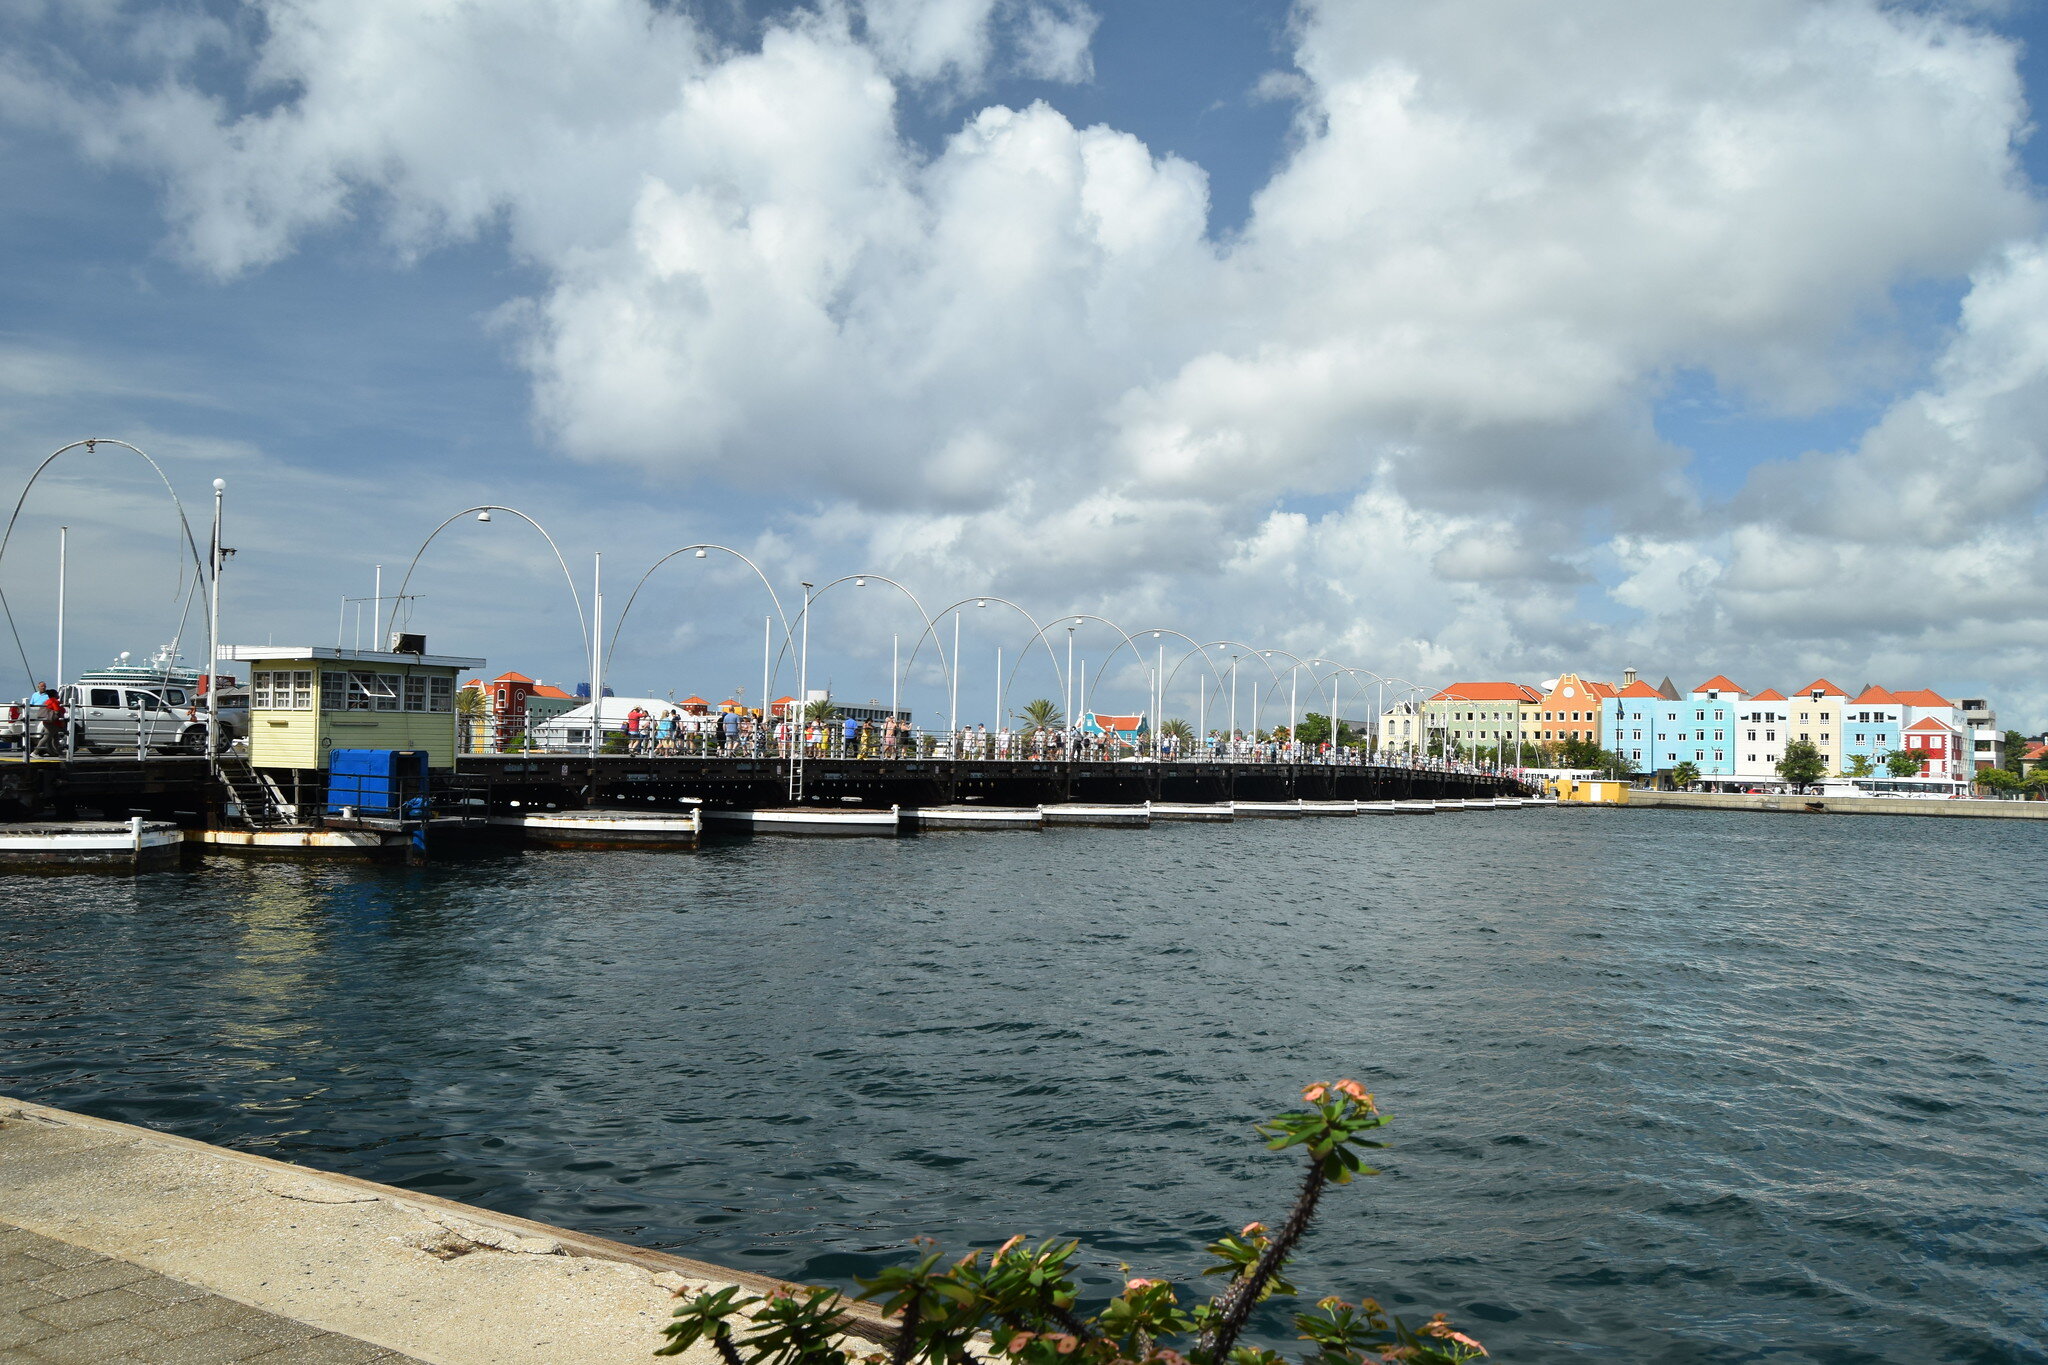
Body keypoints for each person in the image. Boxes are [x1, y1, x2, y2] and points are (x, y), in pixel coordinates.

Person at [34, 687, 65, 757]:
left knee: (56, 739)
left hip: (48, 722)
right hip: (53, 723)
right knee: (46, 738)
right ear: (54, 694)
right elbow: (57, 711)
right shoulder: (54, 701)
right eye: (57, 693)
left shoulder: (47, 701)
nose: (58, 695)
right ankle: (35, 752)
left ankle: (60, 753)